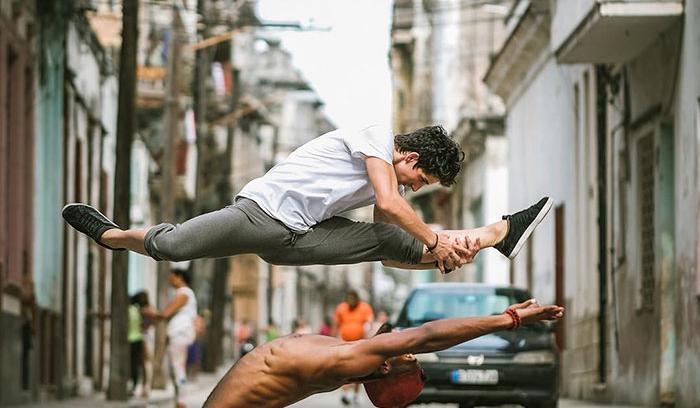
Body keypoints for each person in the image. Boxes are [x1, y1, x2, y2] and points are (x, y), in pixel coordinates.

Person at [62, 125, 553, 275]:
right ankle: (113, 235)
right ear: (407, 153)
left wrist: (439, 249)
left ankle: (499, 233)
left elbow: (391, 217)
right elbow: (388, 203)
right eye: (419, 177)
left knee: (396, 247)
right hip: (260, 216)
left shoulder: (393, 171)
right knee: (173, 249)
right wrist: (432, 238)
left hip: (301, 237)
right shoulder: (374, 137)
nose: (413, 186)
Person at [202, 299, 564, 408]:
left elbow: (424, 340)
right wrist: (508, 319)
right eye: (409, 356)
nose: (411, 352)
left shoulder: (343, 358)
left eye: (412, 360)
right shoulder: (343, 360)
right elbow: (427, 335)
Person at [150, 269, 197, 408]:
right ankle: (179, 400)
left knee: (178, 367)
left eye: (172, 277)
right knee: (177, 367)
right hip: (179, 334)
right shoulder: (184, 293)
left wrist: (152, 313)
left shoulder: (184, 293)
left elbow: (166, 313)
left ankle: (181, 401)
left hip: (180, 334)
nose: (170, 280)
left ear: (180, 278)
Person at [334, 290, 374, 405]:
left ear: (357, 299)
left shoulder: (364, 307)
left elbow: (369, 322)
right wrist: (335, 339)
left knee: (358, 369)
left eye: (352, 298)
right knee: (344, 369)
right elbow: (336, 325)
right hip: (344, 344)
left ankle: (355, 395)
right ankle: (345, 394)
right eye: (348, 298)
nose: (350, 301)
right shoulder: (341, 308)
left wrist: (367, 331)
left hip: (359, 344)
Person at [128, 291, 149, 396]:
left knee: (130, 364)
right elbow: (145, 326)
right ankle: (135, 386)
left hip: (128, 341)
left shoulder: (129, 310)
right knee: (137, 365)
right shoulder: (140, 311)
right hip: (138, 339)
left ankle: (131, 385)